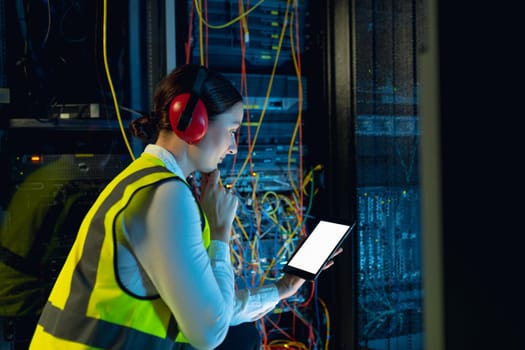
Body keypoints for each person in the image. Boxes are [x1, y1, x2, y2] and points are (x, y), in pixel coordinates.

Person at [28, 64, 318, 350]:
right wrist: (219, 232)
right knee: (240, 341)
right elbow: (210, 332)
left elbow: (211, 309)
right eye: (232, 130)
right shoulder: (165, 196)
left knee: (243, 338)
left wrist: (281, 289)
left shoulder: (146, 178)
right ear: (192, 122)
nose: (233, 147)